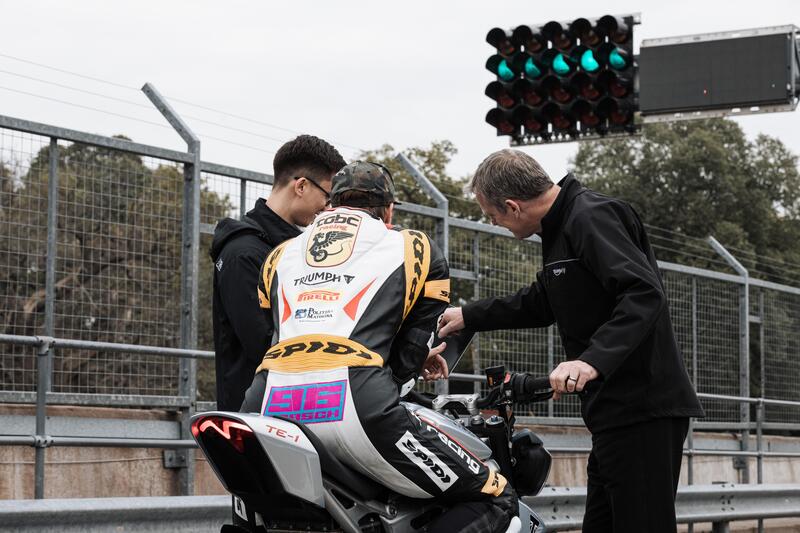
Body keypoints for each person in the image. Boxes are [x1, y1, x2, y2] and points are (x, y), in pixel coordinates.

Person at [240, 161, 516, 533]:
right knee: (495, 495)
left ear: (331, 204)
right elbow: (407, 357)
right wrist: (406, 367)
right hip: (357, 404)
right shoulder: (415, 246)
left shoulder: (279, 254)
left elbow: (278, 333)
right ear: (389, 210)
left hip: (265, 404)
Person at [438, 149, 704, 533]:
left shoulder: (591, 216)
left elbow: (643, 294)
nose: (495, 223)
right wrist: (469, 315)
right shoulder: (560, 229)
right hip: (612, 412)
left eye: (492, 216)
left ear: (512, 206)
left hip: (642, 409)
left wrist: (590, 360)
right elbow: (543, 301)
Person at [210, 135, 346, 411]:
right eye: (327, 196)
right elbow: (267, 346)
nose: (328, 208)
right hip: (256, 419)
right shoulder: (244, 254)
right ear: (301, 186)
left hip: (295, 410)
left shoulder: (295, 250)